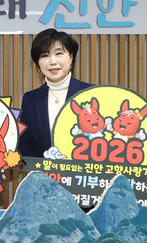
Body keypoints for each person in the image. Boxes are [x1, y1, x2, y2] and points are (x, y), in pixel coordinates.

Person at [18, 28, 94, 158]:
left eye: (59, 54)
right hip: (44, 170)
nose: (52, 61)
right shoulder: (30, 99)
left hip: (83, 170)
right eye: (45, 56)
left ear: (71, 57)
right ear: (37, 63)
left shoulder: (91, 93)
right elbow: (26, 145)